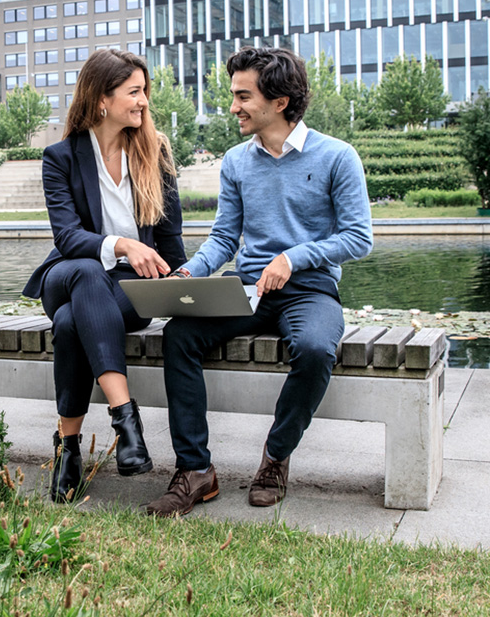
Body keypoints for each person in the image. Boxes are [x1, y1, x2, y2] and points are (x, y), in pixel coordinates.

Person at [144, 47, 373, 517]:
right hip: (246, 289)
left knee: (313, 348)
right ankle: (194, 471)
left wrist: (295, 257)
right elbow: (225, 237)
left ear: (280, 101)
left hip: (310, 290)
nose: (233, 107)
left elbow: (358, 237)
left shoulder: (337, 157)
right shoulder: (236, 161)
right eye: (234, 96)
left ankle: (275, 456)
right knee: (179, 334)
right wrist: (189, 272)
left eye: (243, 97)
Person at [23, 48, 186, 503]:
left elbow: (170, 241)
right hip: (67, 275)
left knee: (73, 323)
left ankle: (68, 450)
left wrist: (182, 281)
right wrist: (123, 244)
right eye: (134, 92)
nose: (143, 102)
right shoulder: (60, 157)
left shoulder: (156, 152)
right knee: (85, 273)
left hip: (129, 292)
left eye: (145, 92)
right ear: (101, 99)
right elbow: (68, 235)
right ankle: (124, 419)